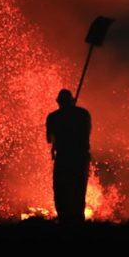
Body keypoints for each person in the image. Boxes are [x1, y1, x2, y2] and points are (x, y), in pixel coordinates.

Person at [45, 89, 91, 224]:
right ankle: (77, 221)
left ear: (58, 102)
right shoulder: (82, 114)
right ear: (72, 100)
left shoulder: (53, 117)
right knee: (78, 189)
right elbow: (86, 133)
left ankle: (64, 219)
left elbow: (49, 139)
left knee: (61, 189)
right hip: (80, 158)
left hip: (63, 157)